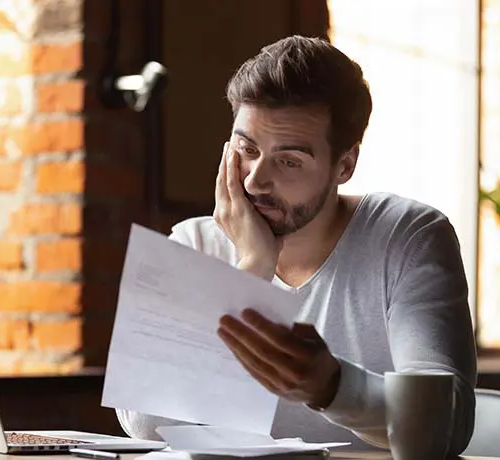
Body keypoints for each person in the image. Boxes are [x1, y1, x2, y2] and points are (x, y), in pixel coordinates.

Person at [116, 35, 477, 455]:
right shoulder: (194, 242)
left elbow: (446, 422)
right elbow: (145, 423)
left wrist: (332, 388)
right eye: (247, 149)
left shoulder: (409, 236)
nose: (254, 180)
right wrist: (251, 268)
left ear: (345, 165)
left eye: (288, 161)